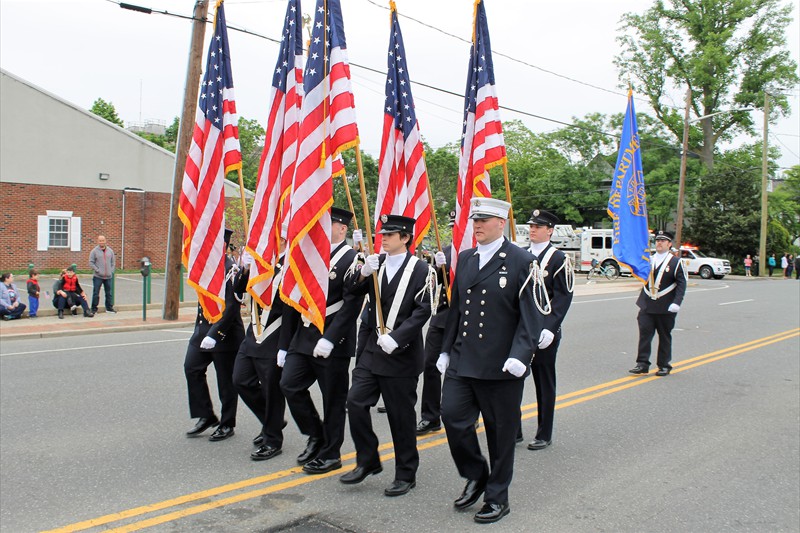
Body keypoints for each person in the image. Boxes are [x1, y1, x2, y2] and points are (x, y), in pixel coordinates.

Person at [439, 198, 542, 524]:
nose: (477, 225)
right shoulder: (467, 258)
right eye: (474, 220)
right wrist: (444, 350)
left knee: (500, 434)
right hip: (463, 359)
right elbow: (456, 310)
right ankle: (476, 473)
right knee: (452, 417)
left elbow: (532, 315)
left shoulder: (521, 260)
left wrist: (520, 355)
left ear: (501, 222)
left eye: (483, 219)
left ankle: (498, 497)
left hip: (501, 365)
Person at [341, 214, 433, 497]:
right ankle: (368, 459)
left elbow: (423, 309)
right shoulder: (375, 263)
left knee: (400, 417)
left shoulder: (420, 269)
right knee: (355, 403)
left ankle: (406, 473)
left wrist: (398, 337)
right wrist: (363, 273)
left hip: (401, 354)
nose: (383, 238)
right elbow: (351, 291)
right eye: (382, 234)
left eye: (389, 235)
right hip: (372, 349)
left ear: (405, 238)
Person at [280, 207, 363, 475]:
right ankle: (315, 435)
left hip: (332, 341)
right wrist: (284, 344)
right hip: (303, 336)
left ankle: (331, 454)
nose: (322, 230)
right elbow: (294, 302)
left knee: (333, 400)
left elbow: (351, 305)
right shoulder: (311, 256)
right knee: (289, 385)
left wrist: (330, 339)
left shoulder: (353, 259)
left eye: (329, 225)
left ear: (342, 229)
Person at [231, 230, 293, 461]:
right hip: (254, 332)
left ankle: (272, 439)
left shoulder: (292, 261)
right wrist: (247, 268)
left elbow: (290, 311)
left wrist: (285, 346)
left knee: (272, 390)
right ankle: (273, 420)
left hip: (274, 334)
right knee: (240, 380)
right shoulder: (260, 260)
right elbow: (238, 291)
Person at [184, 228, 245, 441]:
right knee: (191, 368)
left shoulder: (233, 271)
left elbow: (231, 308)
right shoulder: (205, 269)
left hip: (225, 333)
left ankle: (227, 423)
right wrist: (202, 331)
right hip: (202, 330)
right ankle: (206, 415)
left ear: (224, 246)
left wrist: (214, 334)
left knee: (225, 381)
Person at [525, 209, 574, 451]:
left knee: (544, 383)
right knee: (511, 382)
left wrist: (550, 328)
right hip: (521, 331)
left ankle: (544, 432)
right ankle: (513, 430)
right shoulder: (520, 255)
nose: (532, 229)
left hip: (544, 332)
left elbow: (563, 297)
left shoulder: (558, 259)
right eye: (531, 226)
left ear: (550, 230)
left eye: (538, 226)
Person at [416, 210, 456, 436]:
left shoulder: (474, 252)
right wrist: (437, 268)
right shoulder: (446, 252)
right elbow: (434, 286)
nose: (453, 230)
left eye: (456, 225)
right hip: (441, 317)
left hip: (463, 321)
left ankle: (464, 415)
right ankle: (430, 417)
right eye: (451, 226)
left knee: (459, 371)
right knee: (430, 366)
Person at [629, 230, 687, 377]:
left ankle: (664, 365)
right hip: (647, 305)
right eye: (658, 240)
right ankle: (642, 364)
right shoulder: (648, 260)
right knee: (645, 335)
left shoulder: (676, 262)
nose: (659, 243)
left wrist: (677, 303)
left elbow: (681, 285)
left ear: (669, 244)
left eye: (663, 241)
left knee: (664, 336)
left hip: (666, 306)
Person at [89, 235, 117, 314]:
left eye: (103, 240)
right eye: (100, 240)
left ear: (105, 241)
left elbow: (113, 262)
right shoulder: (94, 251)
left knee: (109, 293)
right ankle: (94, 309)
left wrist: (111, 271)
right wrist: (97, 270)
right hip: (98, 276)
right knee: (96, 293)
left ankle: (109, 308)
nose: (102, 242)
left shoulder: (110, 251)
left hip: (108, 276)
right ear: (98, 241)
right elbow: (91, 262)